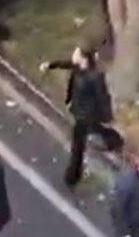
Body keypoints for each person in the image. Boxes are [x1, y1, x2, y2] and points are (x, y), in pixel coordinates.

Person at [40, 45, 120, 188]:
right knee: (88, 137)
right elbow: (66, 64)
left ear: (84, 59)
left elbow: (103, 97)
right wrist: (50, 65)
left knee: (78, 146)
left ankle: (72, 176)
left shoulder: (95, 77)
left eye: (76, 54)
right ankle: (114, 141)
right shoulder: (77, 67)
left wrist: (108, 117)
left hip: (86, 115)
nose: (73, 56)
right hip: (79, 111)